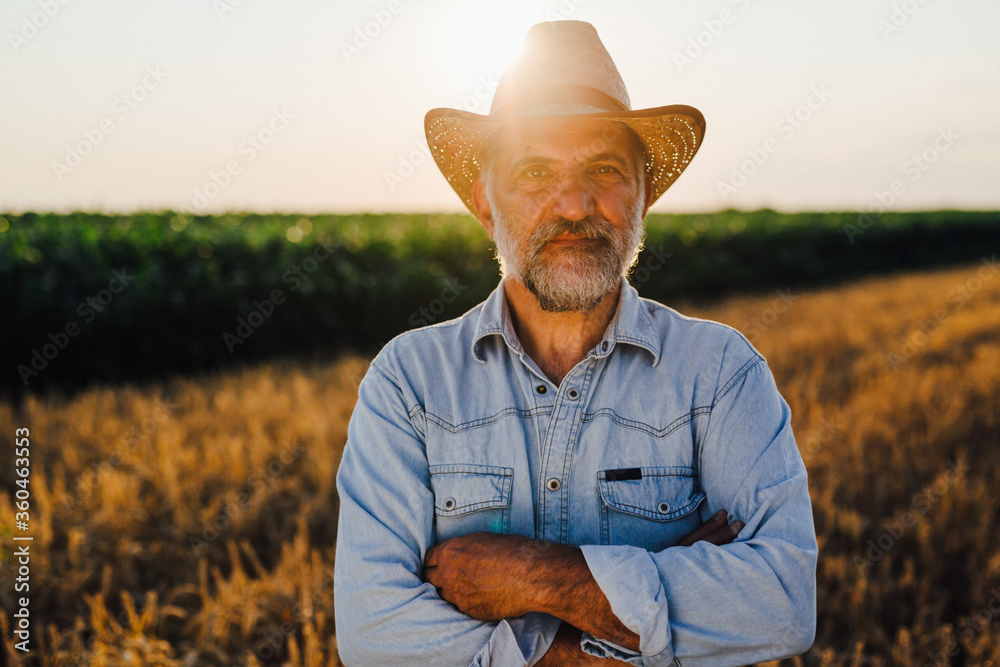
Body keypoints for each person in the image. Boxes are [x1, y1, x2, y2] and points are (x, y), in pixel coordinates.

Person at [334, 20, 817, 666]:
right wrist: (619, 627)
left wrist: (538, 575)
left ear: (645, 193)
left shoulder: (721, 373)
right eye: (535, 171)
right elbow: (374, 635)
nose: (572, 204)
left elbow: (782, 603)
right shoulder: (408, 384)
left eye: (604, 168)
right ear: (485, 201)